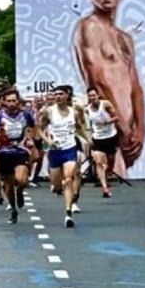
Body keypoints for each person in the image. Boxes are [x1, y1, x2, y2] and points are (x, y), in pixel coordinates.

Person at [74, 0, 145, 170]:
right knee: (113, 180)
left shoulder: (125, 38)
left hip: (129, 133)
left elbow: (136, 88)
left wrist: (140, 129)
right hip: (114, 128)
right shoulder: (89, 27)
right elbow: (98, 81)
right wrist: (122, 129)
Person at [38, 85, 90, 228]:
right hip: (55, 151)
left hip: (70, 149)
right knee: (56, 185)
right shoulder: (49, 112)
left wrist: (89, 140)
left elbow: (79, 128)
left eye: (61, 94)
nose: (58, 96)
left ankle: (68, 213)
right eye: (56, 94)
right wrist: (49, 141)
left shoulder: (74, 112)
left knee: (68, 179)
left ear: (67, 95)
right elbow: (40, 130)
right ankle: (56, 187)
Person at [0, 89, 33, 224]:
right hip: (5, 153)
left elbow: (33, 127)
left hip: (21, 150)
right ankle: (13, 209)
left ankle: (20, 191)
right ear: (4, 101)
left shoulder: (25, 114)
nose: (12, 103)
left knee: (21, 179)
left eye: (14, 100)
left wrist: (30, 138)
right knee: (8, 184)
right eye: (9, 101)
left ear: (18, 100)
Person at [85, 87, 119, 198]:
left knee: (110, 161)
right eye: (90, 96)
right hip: (98, 138)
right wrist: (89, 138)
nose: (92, 98)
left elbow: (116, 117)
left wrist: (106, 122)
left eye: (94, 95)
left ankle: (108, 172)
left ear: (98, 95)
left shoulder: (105, 104)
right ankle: (105, 188)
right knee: (99, 162)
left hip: (111, 136)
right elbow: (87, 124)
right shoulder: (87, 109)